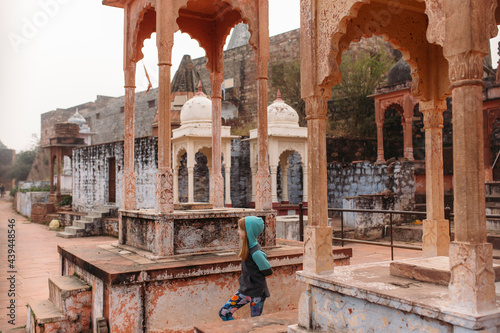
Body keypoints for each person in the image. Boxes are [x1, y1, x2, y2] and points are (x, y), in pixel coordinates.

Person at [219, 216, 273, 321]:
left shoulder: (256, 252)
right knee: (224, 312)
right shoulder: (247, 249)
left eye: (240, 229)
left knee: (255, 323)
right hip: (245, 291)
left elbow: (268, 272)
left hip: (257, 294)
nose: (238, 232)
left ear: (249, 231)